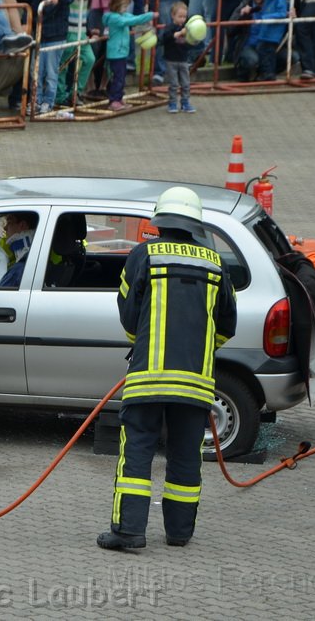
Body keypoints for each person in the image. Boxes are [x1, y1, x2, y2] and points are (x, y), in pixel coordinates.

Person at [98, 186, 237, 551]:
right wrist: (199, 352)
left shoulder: (144, 255)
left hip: (148, 377)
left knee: (138, 451)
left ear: (160, 221)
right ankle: (179, 533)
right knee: (187, 455)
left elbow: (128, 313)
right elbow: (227, 325)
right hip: (196, 382)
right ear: (194, 223)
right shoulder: (215, 261)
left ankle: (129, 532)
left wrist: (143, 343)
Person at [55, 0, 101, 105]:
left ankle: (76, 92)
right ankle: (60, 96)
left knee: (89, 59)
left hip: (81, 30)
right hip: (69, 30)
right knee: (64, 64)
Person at [103, 0, 154, 110]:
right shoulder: (115, 18)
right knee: (118, 78)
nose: (126, 8)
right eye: (124, 6)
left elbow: (131, 17)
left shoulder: (122, 15)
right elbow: (132, 20)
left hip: (121, 52)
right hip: (116, 53)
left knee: (121, 77)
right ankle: (114, 100)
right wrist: (150, 15)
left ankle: (118, 98)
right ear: (116, 5)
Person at [31, 0, 73, 112]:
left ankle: (48, 102)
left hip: (55, 38)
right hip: (42, 38)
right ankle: (37, 100)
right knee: (38, 71)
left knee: (50, 72)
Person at [232, 0, 287, 80]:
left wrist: (290, 17)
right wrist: (244, 15)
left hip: (269, 41)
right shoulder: (247, 4)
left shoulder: (276, 2)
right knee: (253, 60)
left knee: (291, 57)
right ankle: (245, 74)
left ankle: (265, 74)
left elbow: (282, 16)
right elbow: (230, 30)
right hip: (250, 45)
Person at [161, 0, 195, 111]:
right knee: (173, 84)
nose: (182, 19)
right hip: (171, 60)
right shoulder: (169, 28)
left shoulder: (187, 28)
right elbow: (163, 39)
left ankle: (185, 102)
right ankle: (172, 103)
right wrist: (176, 34)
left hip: (183, 60)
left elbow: (189, 44)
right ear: (173, 16)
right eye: (180, 16)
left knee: (186, 83)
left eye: (184, 17)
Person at [0, 211, 37, 286]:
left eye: (9, 222)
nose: (5, 228)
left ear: (22, 225)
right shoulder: (40, 263)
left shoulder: (17, 272)